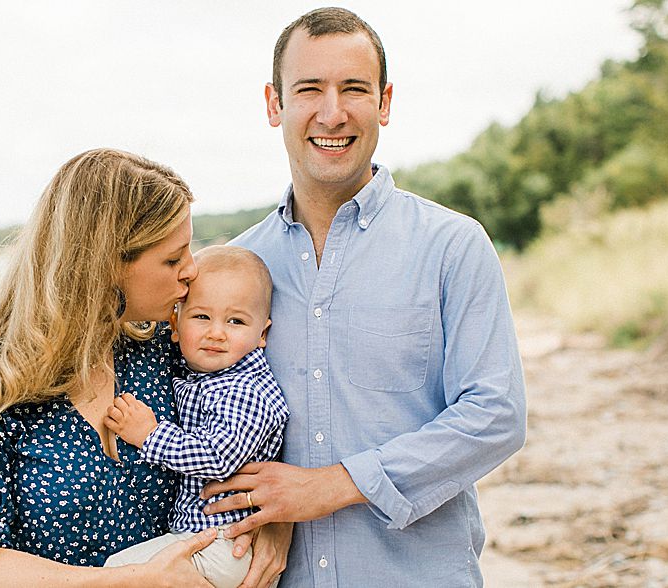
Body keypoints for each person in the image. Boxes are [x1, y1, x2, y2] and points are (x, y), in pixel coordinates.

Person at [207, 8, 527, 586]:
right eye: (309, 90)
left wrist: (329, 487)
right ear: (274, 103)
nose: (333, 113)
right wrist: (266, 512)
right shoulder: (235, 270)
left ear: (384, 102)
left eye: (354, 89)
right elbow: (204, 417)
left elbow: (495, 416)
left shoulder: (453, 247)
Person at [0, 148, 289, 588]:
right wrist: (138, 580)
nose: (192, 271)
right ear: (105, 266)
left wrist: (276, 527)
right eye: (173, 259)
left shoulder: (164, 354)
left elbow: (257, 429)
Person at [102, 245, 289, 588]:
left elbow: (218, 457)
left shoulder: (245, 391)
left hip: (230, 544)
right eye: (201, 317)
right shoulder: (201, 374)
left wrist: (148, 435)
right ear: (175, 324)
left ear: (262, 334)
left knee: (119, 573)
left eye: (236, 321)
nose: (216, 332)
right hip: (206, 539)